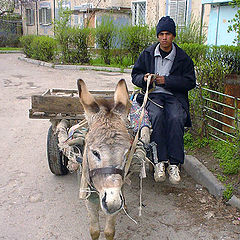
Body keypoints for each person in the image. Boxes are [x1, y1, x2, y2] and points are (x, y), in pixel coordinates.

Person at [131, 16, 196, 184]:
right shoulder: (147, 54)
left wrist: (166, 81)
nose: (164, 37)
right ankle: (159, 161)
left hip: (174, 96)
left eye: (168, 34)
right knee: (157, 117)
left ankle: (174, 164)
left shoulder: (183, 58)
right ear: (158, 36)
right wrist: (144, 79)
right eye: (161, 34)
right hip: (153, 95)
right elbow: (135, 75)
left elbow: (190, 82)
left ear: (173, 36)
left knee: (175, 118)